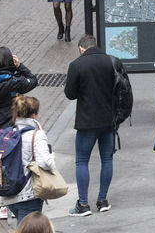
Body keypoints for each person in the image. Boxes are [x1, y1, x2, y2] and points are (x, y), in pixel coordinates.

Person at [0, 96, 56, 225]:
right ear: (34, 114)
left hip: (10, 196)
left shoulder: (6, 136)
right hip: (29, 195)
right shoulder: (37, 135)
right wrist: (51, 158)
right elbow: (45, 163)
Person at [0, 47, 38, 220]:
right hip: (10, 128)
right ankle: (12, 199)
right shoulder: (14, 81)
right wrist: (20, 66)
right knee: (12, 163)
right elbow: (33, 80)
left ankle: (0, 205)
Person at [64, 35, 116, 217]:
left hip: (87, 121)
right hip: (108, 120)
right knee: (107, 160)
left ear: (81, 48)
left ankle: (83, 204)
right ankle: (103, 200)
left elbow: (70, 94)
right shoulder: (111, 61)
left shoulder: (77, 65)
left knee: (82, 160)